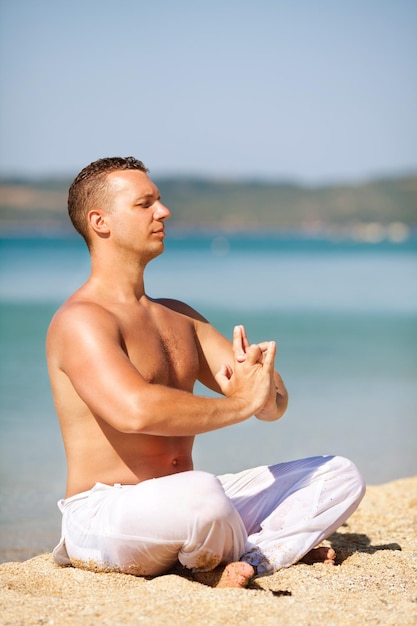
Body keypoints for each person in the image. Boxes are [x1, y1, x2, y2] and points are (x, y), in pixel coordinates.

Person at [47, 156, 365, 588]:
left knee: (338, 473)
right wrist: (239, 403)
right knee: (202, 496)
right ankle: (255, 549)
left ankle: (249, 556)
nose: (164, 212)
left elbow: (270, 407)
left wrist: (261, 385)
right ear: (100, 221)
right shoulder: (80, 320)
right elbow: (135, 412)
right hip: (106, 514)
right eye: (145, 204)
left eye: (159, 201)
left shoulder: (180, 317)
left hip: (190, 503)